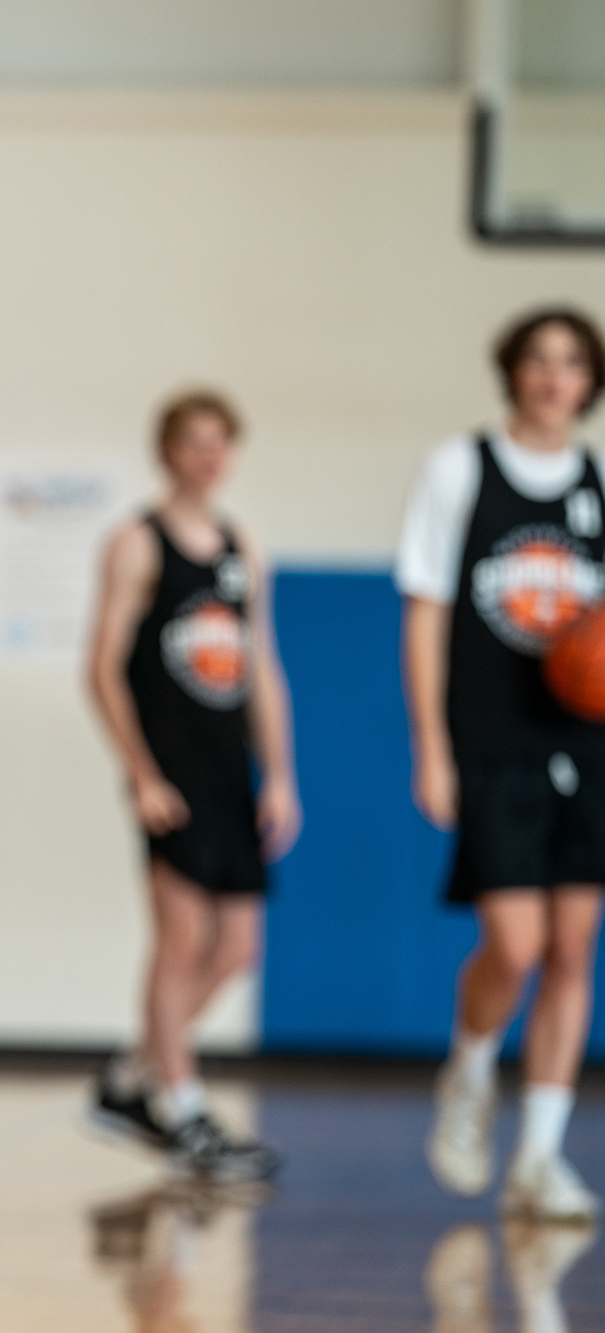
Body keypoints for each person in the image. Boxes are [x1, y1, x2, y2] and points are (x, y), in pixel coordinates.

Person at [398, 306, 605, 1222]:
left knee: (573, 949)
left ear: (591, 383)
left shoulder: (601, 480)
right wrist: (431, 746)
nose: (554, 376)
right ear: (512, 372)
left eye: (572, 362)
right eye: (538, 359)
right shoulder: (461, 469)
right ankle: (472, 1069)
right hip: (492, 739)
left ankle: (540, 1157)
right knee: (515, 946)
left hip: (588, 745)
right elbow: (426, 611)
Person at [85, 390, 298, 1181]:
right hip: (169, 775)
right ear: (167, 450)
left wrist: (279, 775)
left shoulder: (243, 546)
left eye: (220, 442)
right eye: (192, 441)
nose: (208, 455)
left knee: (238, 947)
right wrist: (138, 772)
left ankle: (130, 1077)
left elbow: (262, 668)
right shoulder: (137, 543)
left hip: (229, 773)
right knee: (180, 942)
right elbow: (101, 667)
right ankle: (182, 1103)